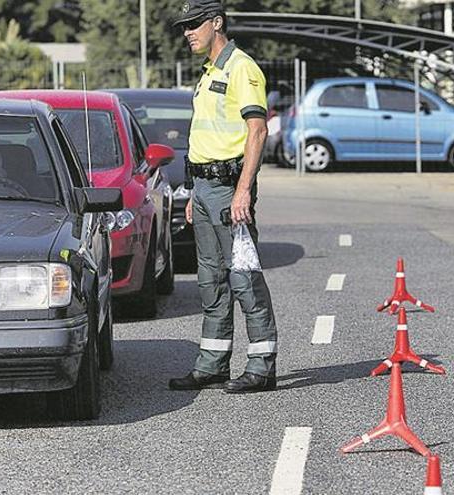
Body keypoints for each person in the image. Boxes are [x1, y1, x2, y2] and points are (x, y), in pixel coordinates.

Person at [168, 0, 278, 393]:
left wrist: (243, 191)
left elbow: (258, 131)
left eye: (195, 25)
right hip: (204, 189)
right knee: (211, 280)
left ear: (217, 23)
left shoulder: (241, 67)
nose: (188, 33)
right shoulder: (209, 71)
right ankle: (212, 364)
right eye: (184, 26)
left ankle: (262, 366)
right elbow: (204, 137)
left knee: (243, 277)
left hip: (230, 189)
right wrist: (194, 194)